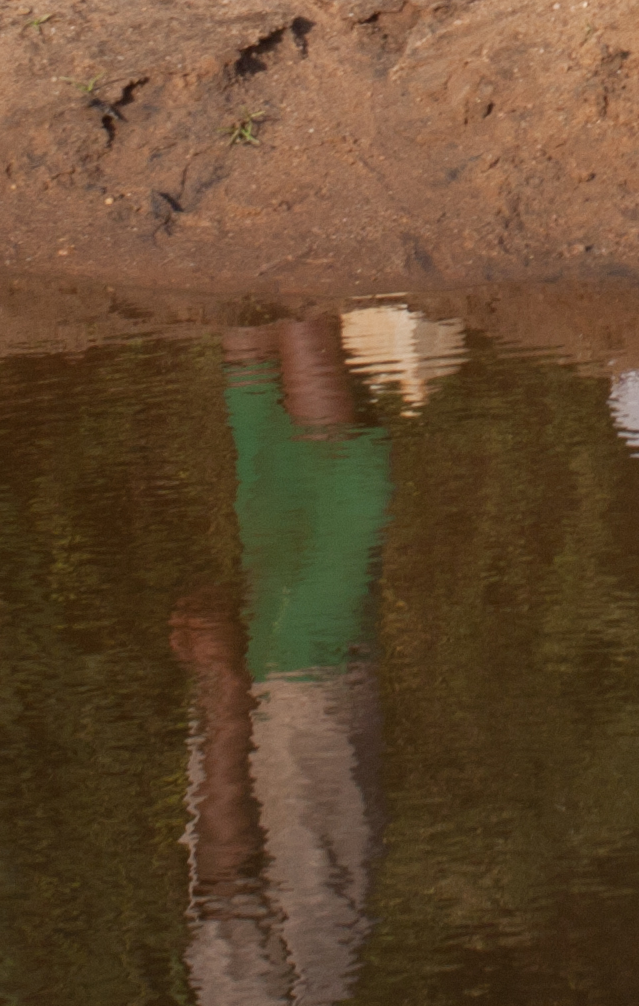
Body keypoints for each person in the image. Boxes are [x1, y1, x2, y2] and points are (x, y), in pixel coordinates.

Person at [175, 309, 422, 1006]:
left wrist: (224, 692)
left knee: (332, 491)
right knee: (301, 489)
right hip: (304, 673)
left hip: (303, 676)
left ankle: (273, 267)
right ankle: (258, 269)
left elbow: (227, 896)